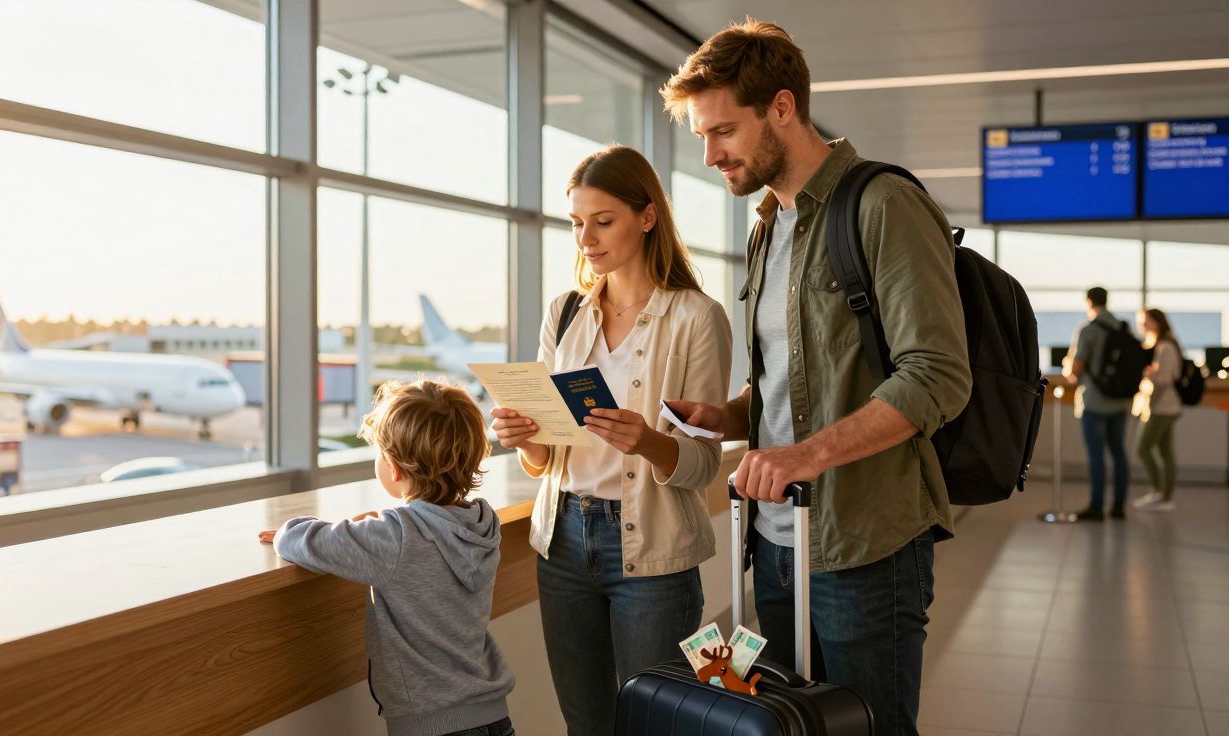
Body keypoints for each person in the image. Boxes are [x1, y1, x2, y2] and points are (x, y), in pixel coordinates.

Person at [659, 20, 971, 736]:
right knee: (794, 726)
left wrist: (803, 457)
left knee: (869, 728)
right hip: (772, 542)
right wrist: (731, 416)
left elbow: (937, 375)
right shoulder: (769, 225)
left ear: (782, 107)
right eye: (701, 136)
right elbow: (805, 379)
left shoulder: (883, 204)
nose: (709, 156)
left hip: (864, 544)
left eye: (723, 132)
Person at [489, 145, 731, 736]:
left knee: (654, 725)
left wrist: (648, 441)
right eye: (576, 224)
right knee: (586, 723)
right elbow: (546, 457)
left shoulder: (697, 317)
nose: (585, 239)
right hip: (564, 540)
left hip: (652, 546)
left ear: (647, 217)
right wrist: (523, 435)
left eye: (602, 221)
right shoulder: (566, 311)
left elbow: (703, 463)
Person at [261, 379, 516, 736]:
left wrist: (291, 528)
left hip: (433, 726)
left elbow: (303, 542)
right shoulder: (483, 524)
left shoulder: (396, 535)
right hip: (493, 717)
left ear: (394, 468)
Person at [1064, 286, 1133, 521]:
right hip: (1121, 401)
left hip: (1094, 401)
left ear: (1089, 302)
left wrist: (1068, 364)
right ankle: (1119, 506)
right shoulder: (1123, 327)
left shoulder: (1088, 330)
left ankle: (1096, 507)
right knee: (1119, 452)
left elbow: (1075, 372)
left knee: (1096, 455)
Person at [1132, 308, 1182, 512]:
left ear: (1157, 322)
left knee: (1142, 448)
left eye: (1146, 321)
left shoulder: (1166, 346)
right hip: (1161, 406)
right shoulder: (1157, 345)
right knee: (1165, 451)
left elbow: (1166, 378)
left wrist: (1146, 372)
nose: (1142, 325)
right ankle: (1163, 495)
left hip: (1163, 407)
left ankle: (1160, 492)